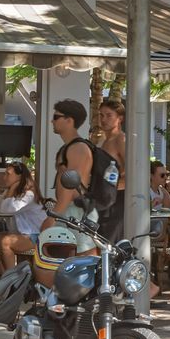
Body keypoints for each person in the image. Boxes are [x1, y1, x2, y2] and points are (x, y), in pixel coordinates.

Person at [51, 99, 120, 241]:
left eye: (56, 117)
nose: (52, 121)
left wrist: (53, 217)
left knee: (85, 253)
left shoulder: (78, 149)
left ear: (69, 121)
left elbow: (71, 188)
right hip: (72, 211)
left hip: (77, 212)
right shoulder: (70, 148)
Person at [0, 162, 47, 272]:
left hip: (35, 236)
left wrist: (12, 189)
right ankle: (3, 276)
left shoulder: (29, 194)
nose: (4, 178)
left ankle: (13, 279)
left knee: (5, 242)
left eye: (8, 174)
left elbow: (7, 209)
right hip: (19, 233)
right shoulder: (10, 191)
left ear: (19, 176)